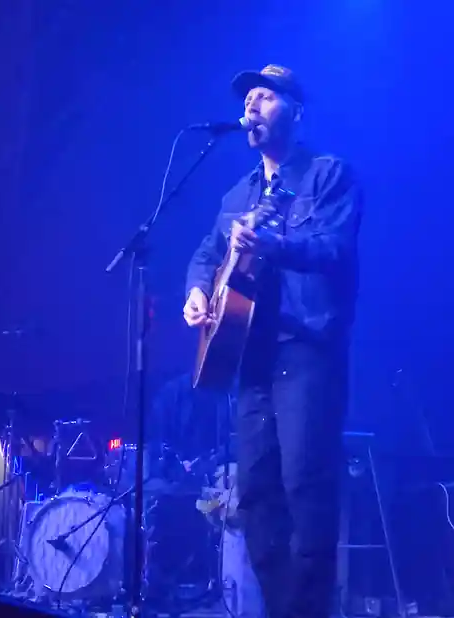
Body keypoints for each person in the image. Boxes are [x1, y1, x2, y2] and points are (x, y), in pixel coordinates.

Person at [182, 64, 362, 618]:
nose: (253, 106)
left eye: (266, 96)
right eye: (249, 99)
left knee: (306, 487)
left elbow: (334, 249)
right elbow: (208, 254)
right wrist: (195, 292)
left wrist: (273, 243)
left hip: (307, 348)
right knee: (255, 494)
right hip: (251, 355)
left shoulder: (328, 175)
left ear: (295, 111)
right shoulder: (237, 193)